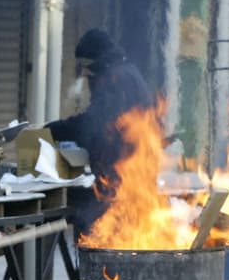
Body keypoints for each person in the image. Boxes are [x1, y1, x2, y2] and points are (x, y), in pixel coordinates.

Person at [47, 29, 155, 232]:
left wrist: (55, 130)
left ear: (100, 59)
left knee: (92, 228)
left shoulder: (115, 80)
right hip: (124, 176)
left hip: (121, 179)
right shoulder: (124, 72)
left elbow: (93, 124)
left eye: (87, 66)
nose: (85, 73)